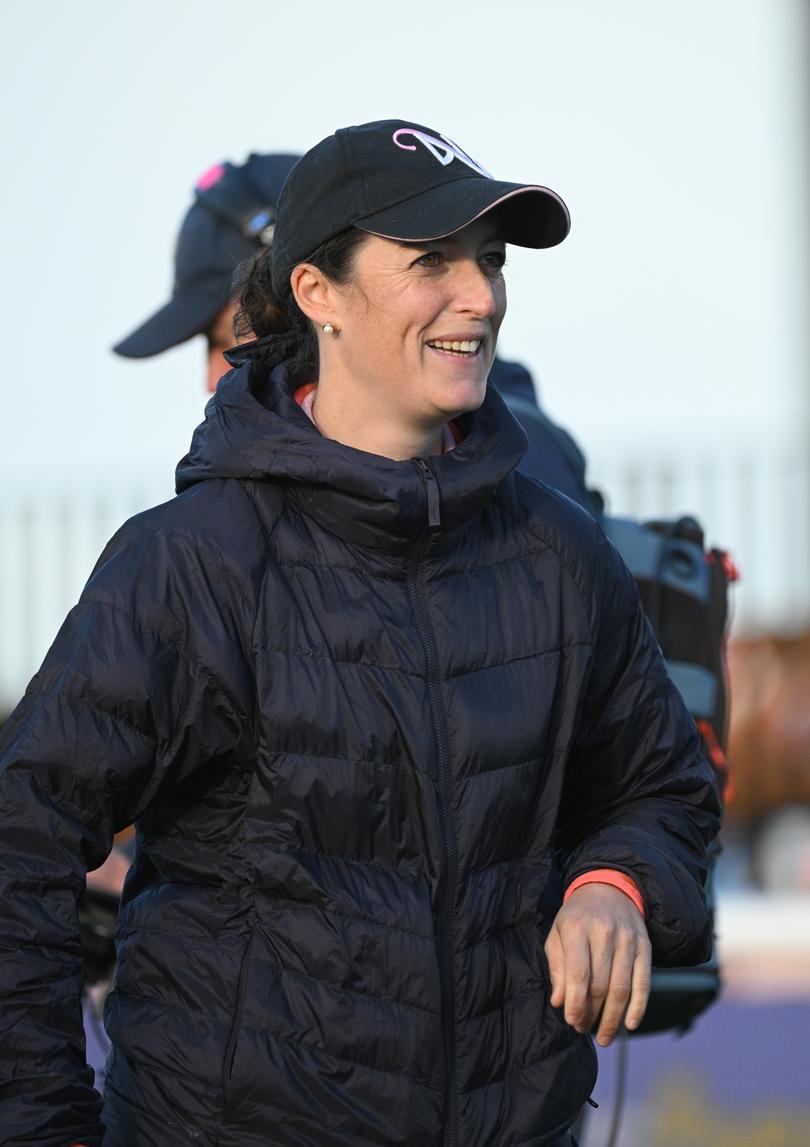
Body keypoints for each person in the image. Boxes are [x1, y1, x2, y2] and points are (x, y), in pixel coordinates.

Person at [0, 119, 719, 1147]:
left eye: (491, 259)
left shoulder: (562, 555)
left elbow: (664, 790)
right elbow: (20, 846)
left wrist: (613, 885)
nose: (481, 294)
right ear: (315, 294)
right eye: (431, 259)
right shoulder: (190, 562)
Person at [113, 152, 600, 513]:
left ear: (313, 294)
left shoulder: (513, 466)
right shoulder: (184, 551)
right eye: (429, 259)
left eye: (232, 334)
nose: (482, 299)